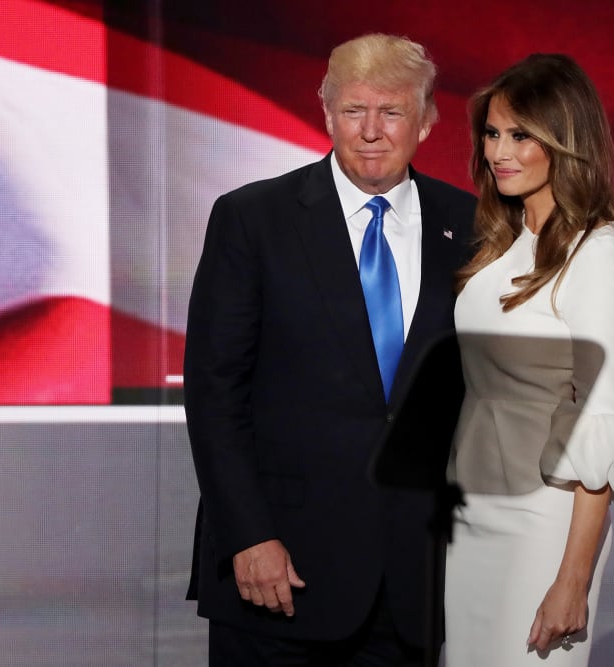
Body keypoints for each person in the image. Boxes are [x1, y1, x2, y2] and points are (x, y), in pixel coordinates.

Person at [183, 33, 478, 666]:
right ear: (327, 114)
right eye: (354, 110)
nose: (371, 130)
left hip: (413, 583)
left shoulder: (474, 227)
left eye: (392, 111)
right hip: (278, 574)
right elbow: (214, 393)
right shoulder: (252, 218)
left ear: (426, 122)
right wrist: (249, 535)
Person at [444, 53, 614, 666]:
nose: (499, 152)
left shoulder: (595, 249)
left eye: (520, 136)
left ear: (563, 143)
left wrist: (573, 578)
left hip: (543, 527)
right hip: (473, 514)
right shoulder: (501, 242)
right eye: (491, 133)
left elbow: (599, 419)